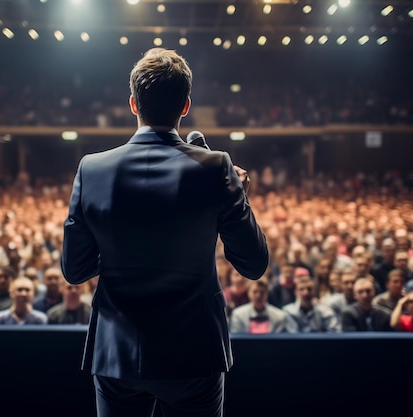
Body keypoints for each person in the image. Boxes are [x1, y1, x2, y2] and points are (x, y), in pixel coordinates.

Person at [61, 48, 268, 417]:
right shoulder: (216, 167)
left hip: (117, 353)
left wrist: (119, 248)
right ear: (186, 106)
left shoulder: (91, 169)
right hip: (195, 351)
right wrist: (237, 197)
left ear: (132, 104)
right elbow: (253, 263)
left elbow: (75, 270)